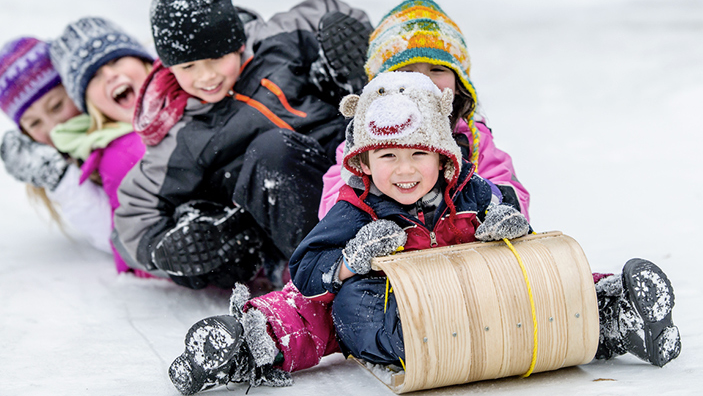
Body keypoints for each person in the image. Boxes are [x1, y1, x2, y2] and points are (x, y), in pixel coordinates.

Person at [169, 72, 680, 395]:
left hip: (477, 293)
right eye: (389, 156)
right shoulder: (356, 209)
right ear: (366, 162)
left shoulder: (471, 192)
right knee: (326, 309)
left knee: (539, 277)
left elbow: (515, 224)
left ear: (443, 158)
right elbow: (307, 269)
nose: (404, 169)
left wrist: (508, 227)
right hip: (394, 307)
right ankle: (242, 344)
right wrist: (351, 261)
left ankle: (614, 314)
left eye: (418, 154)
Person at [112, 0, 373, 289]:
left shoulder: (276, 43)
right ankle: (317, 272)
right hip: (298, 212)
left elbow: (330, 10)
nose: (206, 76)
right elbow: (132, 217)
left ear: (237, 43)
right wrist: (162, 249)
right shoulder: (183, 136)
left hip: (356, 165)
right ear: (169, 67)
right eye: (188, 67)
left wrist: (343, 40)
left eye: (216, 58)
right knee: (272, 151)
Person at [317, 0, 530, 220]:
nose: (424, 80)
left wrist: (494, 206)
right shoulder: (366, 138)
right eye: (407, 71)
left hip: (461, 250)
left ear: (459, 84)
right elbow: (332, 201)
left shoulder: (472, 139)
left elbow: (511, 189)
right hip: (394, 250)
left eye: (437, 69)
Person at [47, 17, 156, 277]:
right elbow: (132, 250)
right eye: (93, 76)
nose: (110, 75)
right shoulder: (126, 153)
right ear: (90, 105)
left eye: (116, 59)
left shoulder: (200, 89)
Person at [0, 36, 113, 254]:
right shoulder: (73, 164)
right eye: (34, 123)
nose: (53, 128)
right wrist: (61, 180)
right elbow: (115, 235)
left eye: (56, 106)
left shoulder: (124, 129)